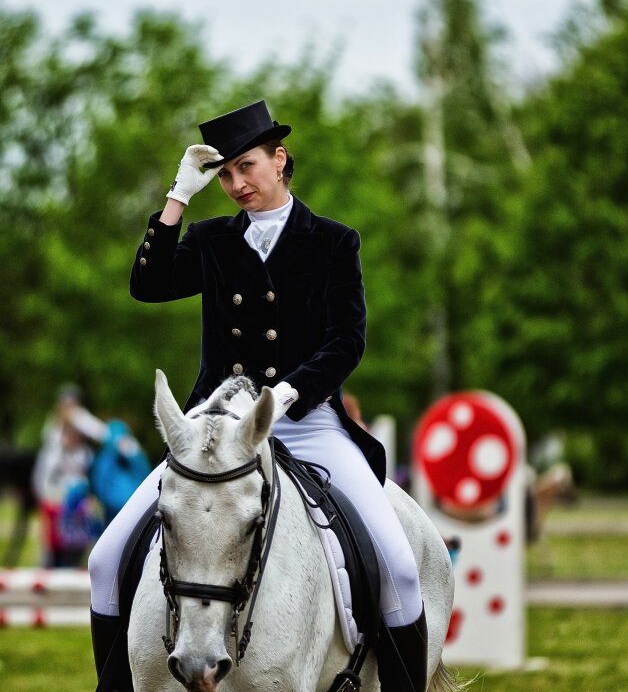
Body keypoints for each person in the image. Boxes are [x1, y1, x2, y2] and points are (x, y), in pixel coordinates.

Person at [88, 100, 429, 692]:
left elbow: (349, 340)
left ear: (279, 158)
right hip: (214, 429)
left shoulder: (333, 242)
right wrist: (177, 198)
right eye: (224, 175)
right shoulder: (212, 239)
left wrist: (290, 392)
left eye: (245, 168)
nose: (236, 184)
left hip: (308, 422)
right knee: (104, 559)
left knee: (399, 566)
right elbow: (148, 285)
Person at [33, 386, 108, 567]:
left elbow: (101, 433)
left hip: (77, 508)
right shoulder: (53, 445)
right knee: (53, 549)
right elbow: (43, 478)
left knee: (78, 546)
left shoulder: (85, 453)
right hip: (56, 504)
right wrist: (49, 499)